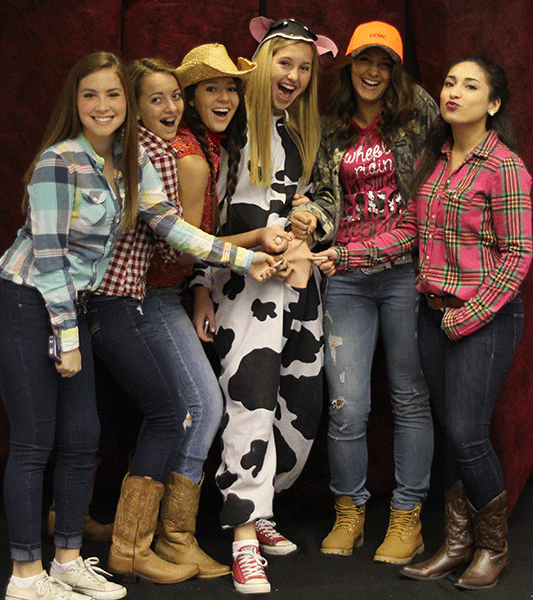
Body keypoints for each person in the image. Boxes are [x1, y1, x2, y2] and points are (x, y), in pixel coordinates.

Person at [0, 51, 276, 600]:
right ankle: (26, 575)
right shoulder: (59, 163)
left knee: (83, 436)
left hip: (76, 305)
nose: (103, 105)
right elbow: (49, 261)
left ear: (126, 105)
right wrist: (68, 340)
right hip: (26, 304)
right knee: (34, 441)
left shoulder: (128, 162)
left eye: (112, 95)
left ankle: (69, 560)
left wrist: (244, 259)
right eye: (90, 95)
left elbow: (172, 227)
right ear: (75, 103)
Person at [313, 55, 532, 590]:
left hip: (482, 318)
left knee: (466, 433)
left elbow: (517, 256)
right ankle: (456, 544)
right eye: (451, 82)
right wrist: (347, 256)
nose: (455, 91)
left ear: (493, 103)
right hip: (432, 314)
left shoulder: (504, 166)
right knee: (455, 437)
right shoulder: (434, 162)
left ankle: (492, 547)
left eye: (471, 85)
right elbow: (409, 232)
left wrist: (467, 317)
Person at [81, 56, 281, 586]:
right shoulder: (176, 158)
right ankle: (157, 540)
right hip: (138, 299)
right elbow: (176, 248)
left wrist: (198, 285)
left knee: (188, 407)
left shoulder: (189, 150)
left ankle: (151, 537)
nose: (170, 106)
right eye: (158, 98)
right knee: (192, 407)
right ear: (133, 107)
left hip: (156, 297)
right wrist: (252, 246)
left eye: (174, 96)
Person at [190, 17, 337, 594]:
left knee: (296, 401)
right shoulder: (229, 131)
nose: (295, 76)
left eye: (305, 68)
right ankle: (243, 537)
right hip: (244, 290)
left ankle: (264, 508)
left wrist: (312, 222)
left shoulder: (303, 133)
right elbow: (206, 217)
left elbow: (323, 206)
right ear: (262, 64)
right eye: (286, 63)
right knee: (249, 402)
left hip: (300, 290)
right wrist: (201, 284)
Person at [289, 21, 437, 565]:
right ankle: (349, 510)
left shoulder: (419, 111)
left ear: (396, 69)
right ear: (349, 64)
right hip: (345, 278)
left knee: (409, 397)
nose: (372, 71)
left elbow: (426, 205)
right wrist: (309, 217)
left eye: (384, 62)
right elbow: (328, 198)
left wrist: (348, 253)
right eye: (363, 61)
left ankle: (407, 515)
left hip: (403, 272)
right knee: (347, 403)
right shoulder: (332, 123)